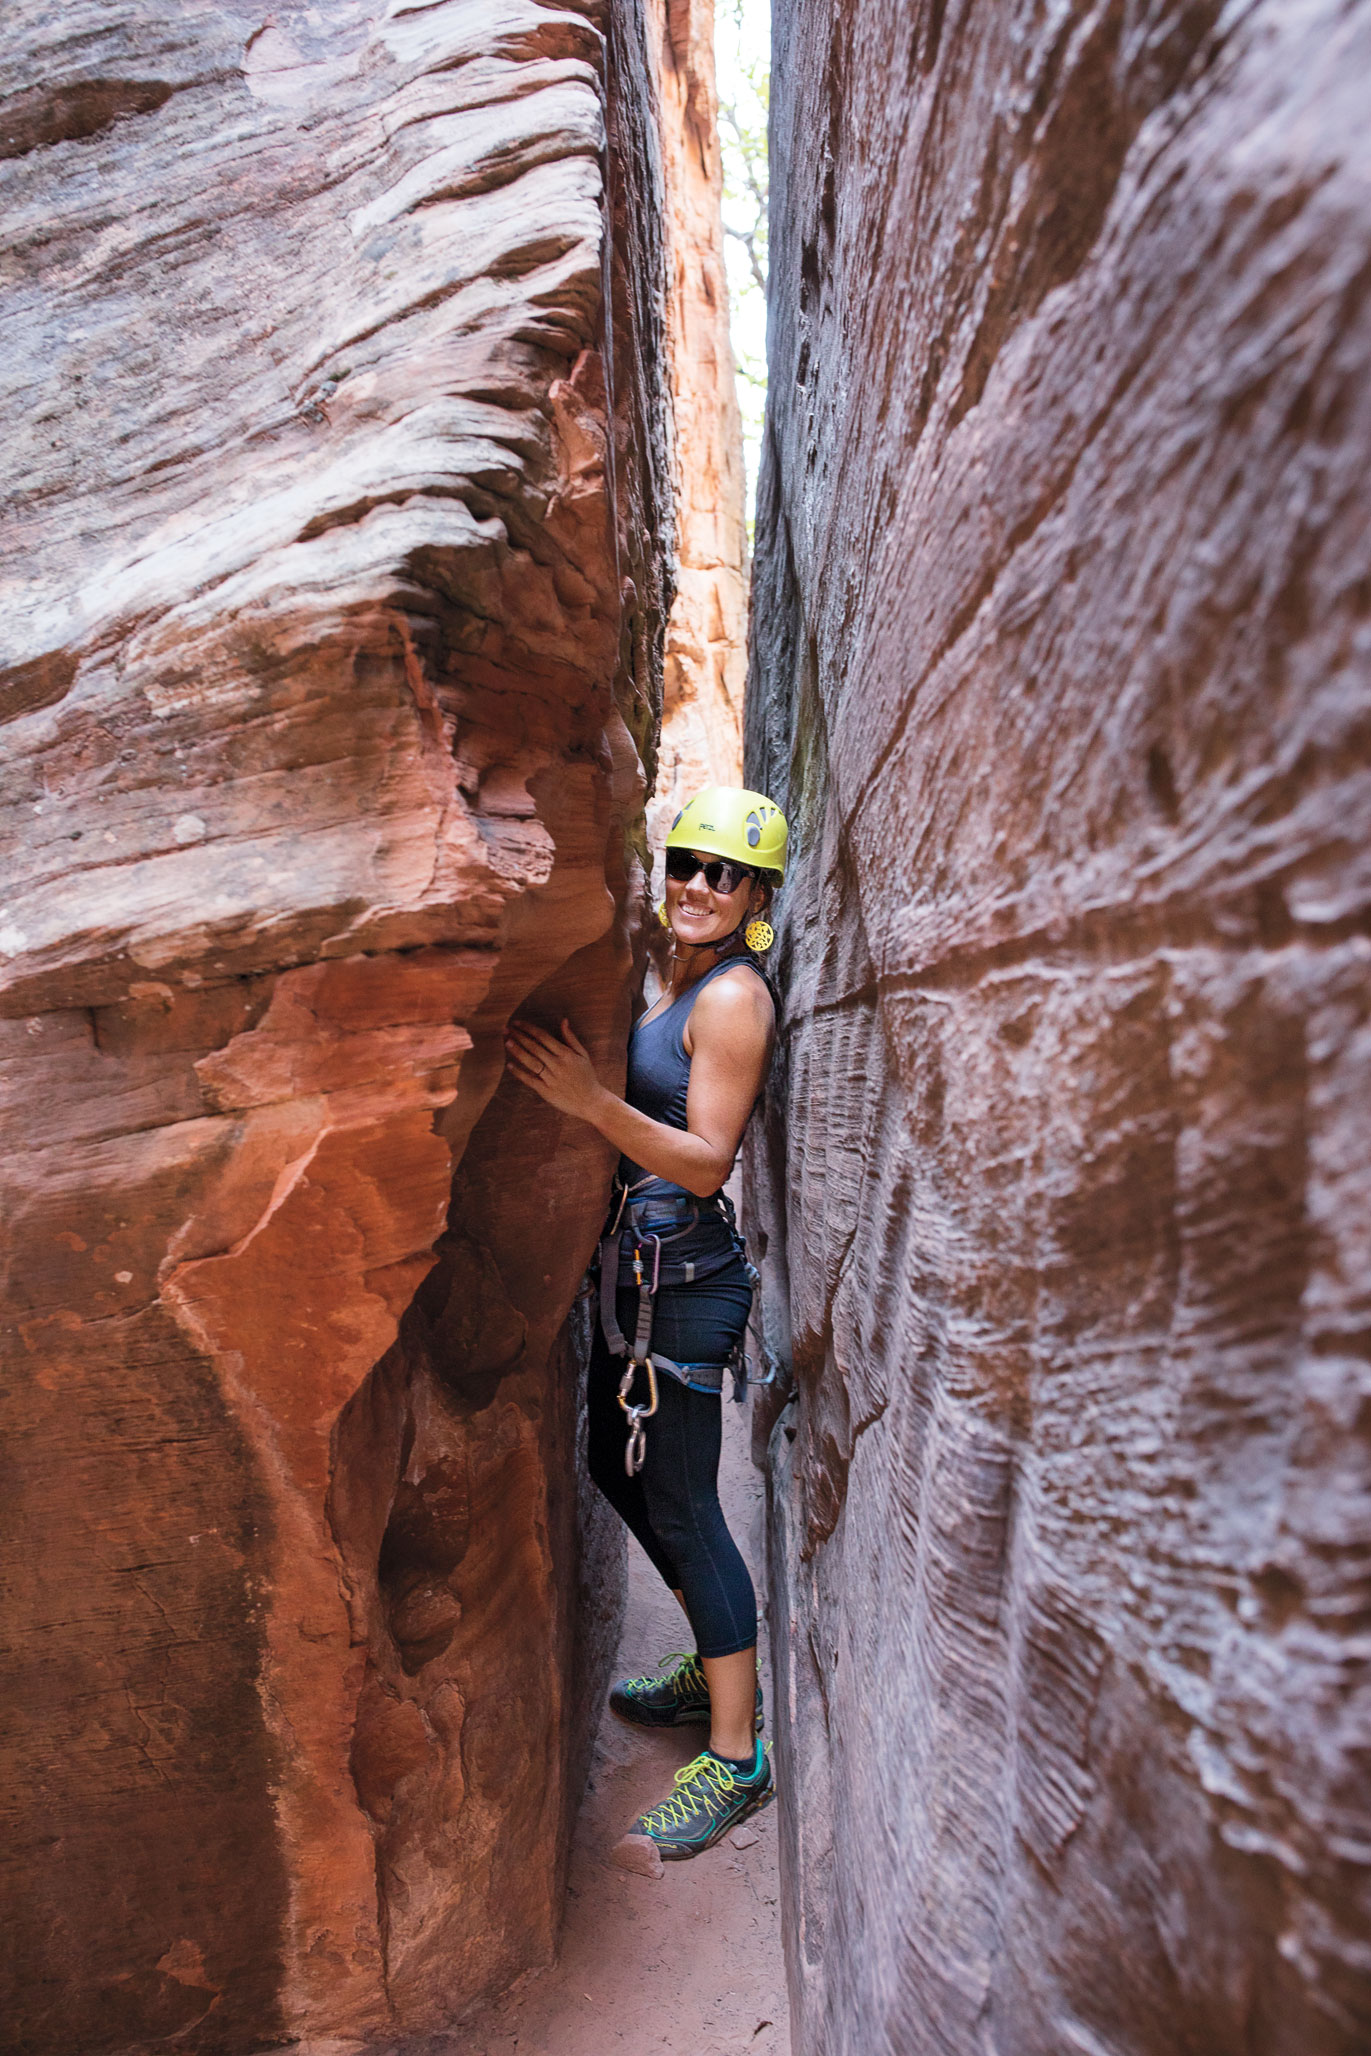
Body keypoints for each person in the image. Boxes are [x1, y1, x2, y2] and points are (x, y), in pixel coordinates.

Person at [504, 785, 786, 1859]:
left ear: (757, 894)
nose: (699, 886)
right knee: (621, 1474)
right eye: (685, 863)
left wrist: (586, 1101)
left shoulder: (732, 1002)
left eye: (725, 873)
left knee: (683, 1502)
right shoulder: (681, 975)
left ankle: (736, 1754)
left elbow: (710, 1158)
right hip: (635, 1278)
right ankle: (716, 1660)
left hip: (686, 1285)